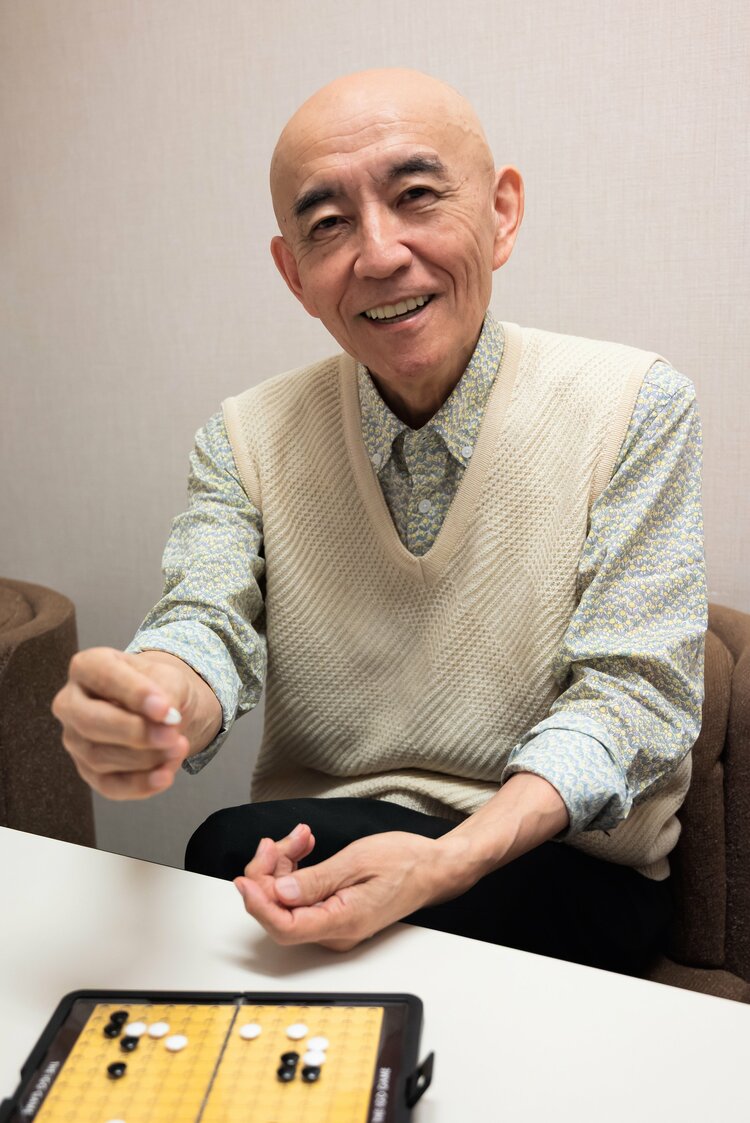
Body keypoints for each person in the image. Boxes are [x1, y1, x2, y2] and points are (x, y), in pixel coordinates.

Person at [52, 68, 707, 973]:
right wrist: (152, 705)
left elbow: (635, 698)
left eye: (417, 196)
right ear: (294, 274)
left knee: (238, 865)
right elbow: (204, 622)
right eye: (328, 224)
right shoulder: (245, 437)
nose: (380, 254)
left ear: (502, 212)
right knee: (224, 848)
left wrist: (445, 861)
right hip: (335, 839)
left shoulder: (636, 405)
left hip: (557, 859)